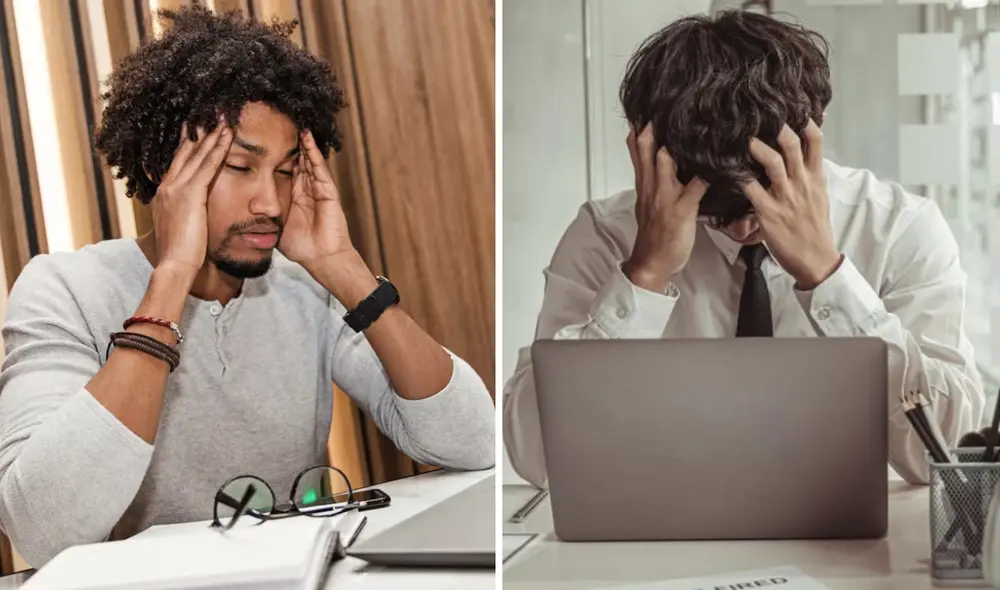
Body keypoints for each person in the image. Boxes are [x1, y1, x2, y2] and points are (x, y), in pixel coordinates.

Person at [0, 6, 494, 566]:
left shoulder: (305, 289)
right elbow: (41, 527)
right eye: (240, 167)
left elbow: (471, 441)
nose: (270, 203)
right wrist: (170, 284)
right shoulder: (63, 289)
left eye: (285, 172)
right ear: (166, 170)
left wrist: (346, 272)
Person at [503, 10, 984, 489]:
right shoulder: (605, 234)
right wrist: (642, 278)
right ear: (645, 153)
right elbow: (539, 460)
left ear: (814, 134)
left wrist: (828, 278)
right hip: (656, 538)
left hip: (851, 551)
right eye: (715, 209)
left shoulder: (898, 227)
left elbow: (947, 457)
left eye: (764, 194)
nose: (743, 229)